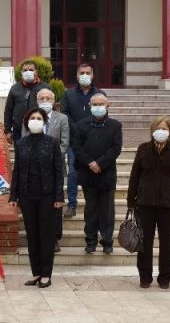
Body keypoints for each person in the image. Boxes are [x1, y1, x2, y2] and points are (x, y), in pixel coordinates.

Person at [126, 116, 170, 290]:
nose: (161, 131)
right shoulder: (143, 149)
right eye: (158, 128)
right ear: (152, 131)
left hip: (168, 204)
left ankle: (165, 278)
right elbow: (134, 176)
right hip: (145, 203)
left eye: (164, 128)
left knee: (167, 242)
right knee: (144, 242)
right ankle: (145, 277)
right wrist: (131, 200)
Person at [9, 107, 65, 288]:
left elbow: (58, 171)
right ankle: (36, 272)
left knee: (46, 236)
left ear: (44, 122)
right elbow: (17, 171)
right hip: (27, 196)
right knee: (32, 235)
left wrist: (59, 196)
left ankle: (46, 274)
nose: (35, 120)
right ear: (27, 122)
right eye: (32, 118)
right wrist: (13, 196)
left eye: (39, 118)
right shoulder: (21, 144)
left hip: (47, 196)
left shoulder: (52, 143)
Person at [73, 92, 122, 254]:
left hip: (106, 174)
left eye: (101, 104)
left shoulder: (115, 126)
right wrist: (90, 163)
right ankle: (91, 241)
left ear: (108, 106)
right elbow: (77, 148)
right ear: (89, 106)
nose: (98, 107)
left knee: (107, 211)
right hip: (88, 174)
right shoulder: (80, 125)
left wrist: (100, 163)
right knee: (91, 210)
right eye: (95, 104)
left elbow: (116, 148)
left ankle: (107, 241)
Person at [27, 88, 70, 254]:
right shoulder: (31, 118)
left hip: (55, 168)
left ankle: (54, 238)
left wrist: (50, 157)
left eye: (48, 98)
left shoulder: (62, 118)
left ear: (53, 100)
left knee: (55, 205)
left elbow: (65, 143)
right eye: (42, 98)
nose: (45, 101)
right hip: (34, 170)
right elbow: (25, 140)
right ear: (37, 101)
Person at [60, 64, 104, 218]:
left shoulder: (99, 94)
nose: (85, 75)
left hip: (95, 140)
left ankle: (94, 204)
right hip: (75, 141)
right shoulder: (68, 94)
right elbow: (65, 114)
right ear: (77, 76)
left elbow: (103, 114)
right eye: (82, 73)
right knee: (73, 173)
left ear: (93, 75)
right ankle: (72, 205)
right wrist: (79, 129)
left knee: (95, 171)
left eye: (88, 72)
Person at [3, 59, 48, 143]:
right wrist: (7, 130)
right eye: (25, 70)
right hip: (19, 131)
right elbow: (8, 110)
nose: (28, 72)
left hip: (40, 129)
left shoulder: (44, 87)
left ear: (36, 72)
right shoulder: (15, 88)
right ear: (21, 73)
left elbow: (51, 108)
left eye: (31, 70)